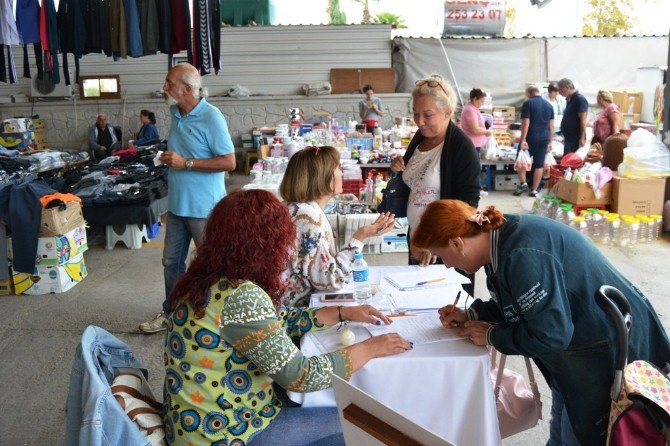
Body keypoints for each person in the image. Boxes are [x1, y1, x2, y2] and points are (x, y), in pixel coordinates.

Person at [411, 199, 670, 446]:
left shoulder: (521, 254)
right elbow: (519, 303)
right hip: (578, 346)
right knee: (561, 427)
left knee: (580, 435)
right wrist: (474, 314)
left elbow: (551, 335)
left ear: (457, 244)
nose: (446, 266)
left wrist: (493, 336)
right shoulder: (495, 240)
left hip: (600, 350)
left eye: (441, 256)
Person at [163, 189, 411, 446]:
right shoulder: (241, 295)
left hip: (195, 427)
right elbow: (302, 375)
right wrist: (371, 348)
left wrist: (340, 312)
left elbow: (270, 322)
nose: (289, 248)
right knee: (369, 423)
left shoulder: (205, 280)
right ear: (265, 244)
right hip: (229, 434)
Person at [139, 63, 236, 334]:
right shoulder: (175, 112)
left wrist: (186, 163)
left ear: (188, 89)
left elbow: (229, 162)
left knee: (211, 266)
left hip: (204, 209)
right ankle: (172, 313)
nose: (164, 87)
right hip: (177, 206)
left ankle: (217, 317)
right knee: (171, 263)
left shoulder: (212, 117)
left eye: (169, 83)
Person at [279, 146, 396, 307]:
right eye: (337, 169)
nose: (341, 174)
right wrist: (360, 236)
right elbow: (331, 280)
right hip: (295, 312)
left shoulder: (301, 209)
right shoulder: (307, 218)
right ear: (322, 177)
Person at [389, 74, 481, 268]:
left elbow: (468, 204)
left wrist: (437, 243)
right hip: (417, 241)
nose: (419, 121)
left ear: (447, 112)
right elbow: (414, 179)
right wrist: (398, 168)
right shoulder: (420, 137)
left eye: (427, 115)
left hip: (443, 249)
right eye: (415, 113)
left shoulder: (462, 147)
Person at [513, 85, 554, 197]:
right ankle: (535, 190)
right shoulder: (549, 105)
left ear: (529, 94)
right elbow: (551, 126)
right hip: (544, 138)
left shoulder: (528, 103)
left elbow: (526, 123)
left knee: (520, 158)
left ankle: (523, 183)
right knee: (539, 164)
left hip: (531, 136)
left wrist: (523, 139)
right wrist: (551, 141)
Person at [557, 78, 588, 154]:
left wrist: (582, 137)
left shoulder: (579, 99)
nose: (559, 93)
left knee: (572, 161)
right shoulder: (569, 99)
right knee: (567, 160)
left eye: (560, 90)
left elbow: (583, 120)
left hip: (575, 138)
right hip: (569, 138)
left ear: (567, 87)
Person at [460, 88, 492, 152]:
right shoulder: (470, 110)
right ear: (475, 99)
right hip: (472, 145)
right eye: (481, 101)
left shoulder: (473, 108)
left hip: (474, 144)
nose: (482, 103)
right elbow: (475, 129)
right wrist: (486, 131)